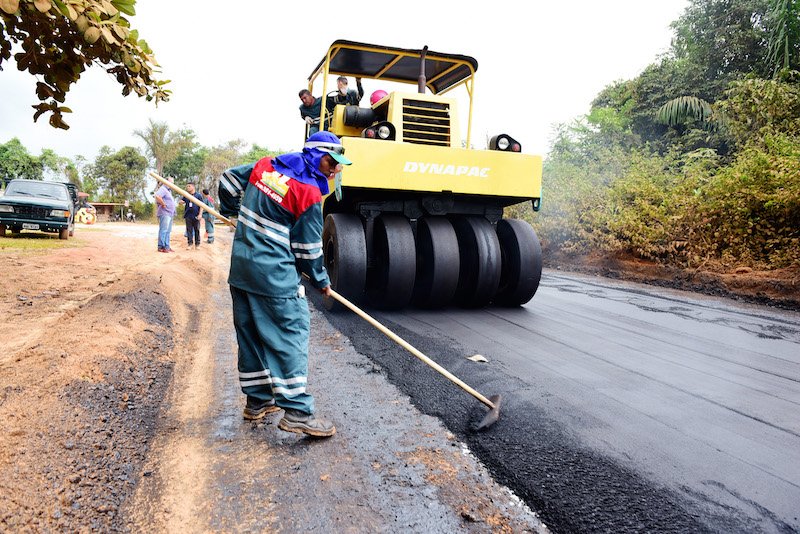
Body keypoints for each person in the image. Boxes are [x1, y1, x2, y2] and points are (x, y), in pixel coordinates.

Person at [218, 131, 352, 438]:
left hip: (242, 270)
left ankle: (257, 401)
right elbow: (308, 250)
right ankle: (297, 412)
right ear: (317, 157)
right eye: (331, 163)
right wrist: (322, 280)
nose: (335, 170)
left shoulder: (266, 166)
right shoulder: (307, 193)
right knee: (291, 331)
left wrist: (231, 212)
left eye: (338, 165)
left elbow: (228, 180)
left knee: (251, 335)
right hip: (274, 277)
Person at [155, 176, 176, 253]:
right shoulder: (163, 189)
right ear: (166, 182)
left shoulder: (169, 190)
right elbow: (157, 196)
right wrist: (163, 204)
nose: (172, 184)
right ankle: (161, 246)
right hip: (165, 213)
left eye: (173, 183)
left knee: (168, 231)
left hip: (170, 213)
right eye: (171, 182)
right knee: (164, 230)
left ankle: (167, 246)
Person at [182, 182, 204, 249]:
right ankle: (190, 244)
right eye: (187, 186)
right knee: (189, 230)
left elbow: (202, 206)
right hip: (188, 215)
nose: (187, 187)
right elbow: (181, 201)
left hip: (196, 215)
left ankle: (197, 244)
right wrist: (181, 202)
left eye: (189, 186)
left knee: (197, 230)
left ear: (193, 187)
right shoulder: (186, 195)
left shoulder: (198, 195)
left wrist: (200, 214)